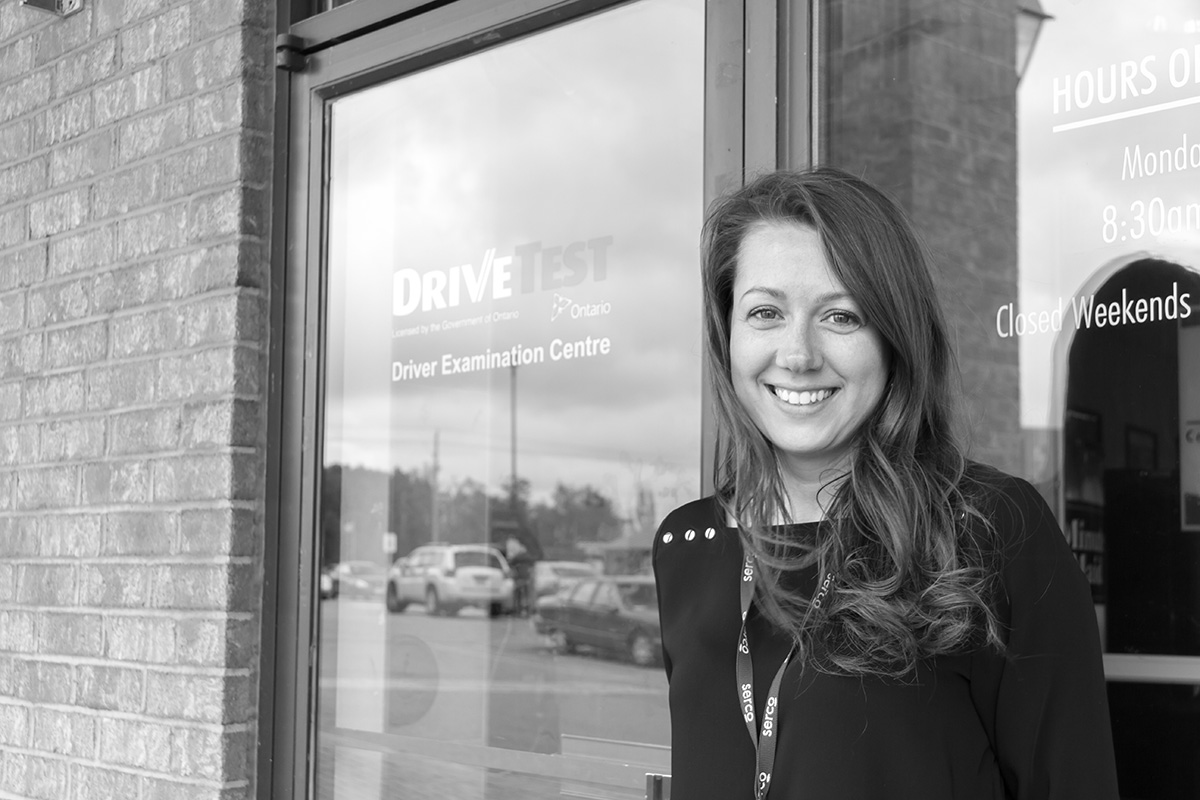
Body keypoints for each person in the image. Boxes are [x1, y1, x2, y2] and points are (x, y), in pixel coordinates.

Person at [652, 168, 1119, 799]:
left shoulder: (991, 528)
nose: (797, 354)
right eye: (764, 312)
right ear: (726, 333)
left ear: (894, 335)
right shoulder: (686, 543)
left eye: (841, 317)